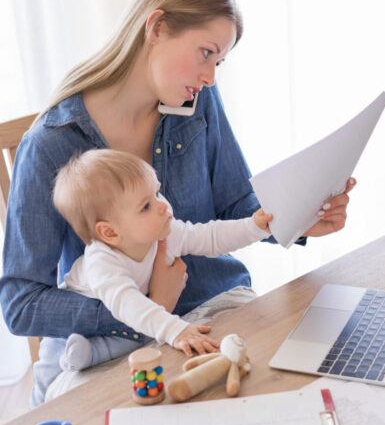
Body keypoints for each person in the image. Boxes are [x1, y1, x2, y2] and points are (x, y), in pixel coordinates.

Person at [0, 0, 355, 408]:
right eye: (205, 53)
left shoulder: (198, 101)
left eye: (218, 61)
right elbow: (21, 303)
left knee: (295, 398)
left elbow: (234, 203)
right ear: (157, 28)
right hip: (112, 340)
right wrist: (148, 306)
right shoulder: (51, 145)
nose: (210, 78)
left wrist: (300, 218)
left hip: (217, 305)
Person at [53, 149, 273, 373]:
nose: (163, 206)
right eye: (146, 206)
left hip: (133, 318)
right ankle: (87, 353)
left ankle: (93, 352)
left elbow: (210, 236)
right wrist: (175, 330)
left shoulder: (165, 231)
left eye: (157, 193)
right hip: (86, 327)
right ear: (109, 233)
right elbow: (127, 304)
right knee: (134, 327)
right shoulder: (101, 261)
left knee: (140, 329)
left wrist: (254, 227)